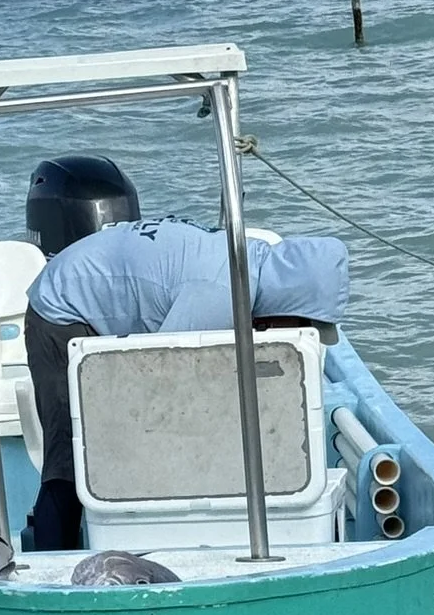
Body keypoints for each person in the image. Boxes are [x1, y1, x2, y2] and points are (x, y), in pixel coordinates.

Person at [24, 212, 349, 549]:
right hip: (62, 308)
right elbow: (164, 380)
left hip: (94, 285)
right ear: (289, 304)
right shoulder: (220, 293)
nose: (296, 333)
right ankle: (52, 566)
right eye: (302, 323)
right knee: (73, 459)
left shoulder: (251, 259)